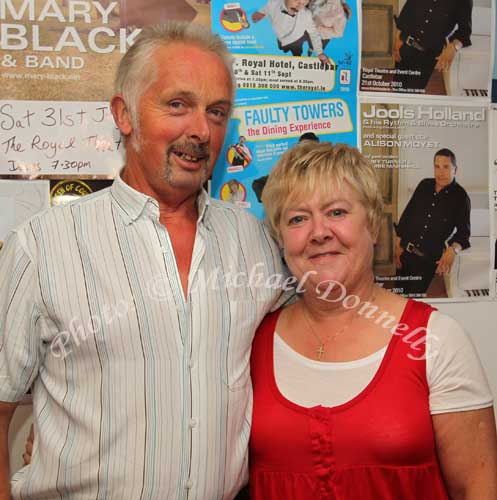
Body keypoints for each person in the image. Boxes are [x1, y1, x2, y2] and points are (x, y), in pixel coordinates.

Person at [0, 22, 286, 499]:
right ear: (125, 114)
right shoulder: (41, 247)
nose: (200, 130)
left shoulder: (254, 243)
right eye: (178, 105)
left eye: (216, 112)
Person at [249, 141, 497, 498]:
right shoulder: (254, 342)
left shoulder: (435, 340)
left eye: (336, 212)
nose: (319, 232)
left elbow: (478, 488)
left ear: (374, 227)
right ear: (280, 238)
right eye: (298, 218)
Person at [394, 148, 470, 297]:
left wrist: (452, 250)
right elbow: (407, 215)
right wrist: (398, 243)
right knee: (398, 294)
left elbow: (464, 233)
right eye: (437, 167)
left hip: (426, 262)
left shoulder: (461, 197)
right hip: (405, 253)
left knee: (414, 300)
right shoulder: (424, 185)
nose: (440, 172)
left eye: (446, 167)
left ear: (455, 169)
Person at [392, 0, 472, 91]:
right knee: (397, 86)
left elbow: (465, 32)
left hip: (427, 56)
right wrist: (396, 43)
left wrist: (453, 47)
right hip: (405, 47)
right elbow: (406, 13)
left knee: (413, 92)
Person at [251, 0, 331, 63]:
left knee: (297, 52)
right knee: (282, 48)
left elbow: (313, 33)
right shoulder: (273, 3)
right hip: (281, 38)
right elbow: (265, 10)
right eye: (296, 0)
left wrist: (319, 52)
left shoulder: (306, 14)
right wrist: (259, 14)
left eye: (303, 4)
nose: (299, 6)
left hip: (296, 39)